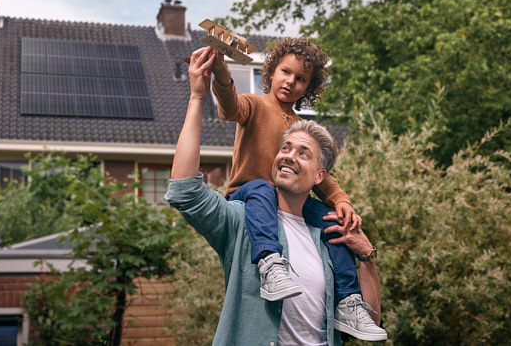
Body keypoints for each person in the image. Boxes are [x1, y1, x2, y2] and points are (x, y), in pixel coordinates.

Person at [164, 49, 385, 345]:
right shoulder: (255, 105)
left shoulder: (297, 127)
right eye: (285, 72)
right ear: (269, 73)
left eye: (300, 79)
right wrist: (218, 77)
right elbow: (230, 107)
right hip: (250, 195)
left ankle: (349, 302)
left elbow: (327, 180)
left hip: (288, 205)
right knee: (263, 189)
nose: (291, 82)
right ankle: (269, 261)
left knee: (334, 222)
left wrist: (346, 213)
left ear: (308, 88)